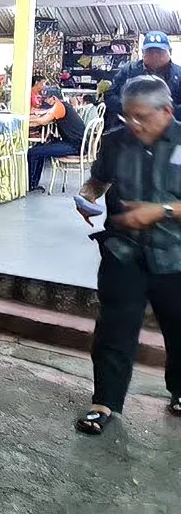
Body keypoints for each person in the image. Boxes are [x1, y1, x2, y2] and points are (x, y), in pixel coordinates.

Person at [74, 75, 181, 434]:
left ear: (166, 110)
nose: (133, 125)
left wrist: (161, 211)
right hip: (123, 252)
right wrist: (86, 197)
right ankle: (104, 402)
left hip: (175, 256)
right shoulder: (116, 142)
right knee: (114, 330)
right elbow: (98, 181)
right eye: (127, 117)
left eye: (142, 117)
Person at [105, 31, 181, 129]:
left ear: (170, 52)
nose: (154, 56)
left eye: (159, 52)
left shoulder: (179, 75)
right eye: (150, 52)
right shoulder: (129, 71)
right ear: (143, 53)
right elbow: (110, 96)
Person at [26, 86, 87, 191]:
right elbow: (44, 114)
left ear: (54, 98)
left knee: (33, 152)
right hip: (75, 143)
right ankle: (33, 183)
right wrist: (33, 117)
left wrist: (26, 120)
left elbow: (44, 121)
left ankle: (31, 185)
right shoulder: (63, 105)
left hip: (75, 146)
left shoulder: (59, 106)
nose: (45, 101)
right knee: (41, 146)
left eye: (47, 98)